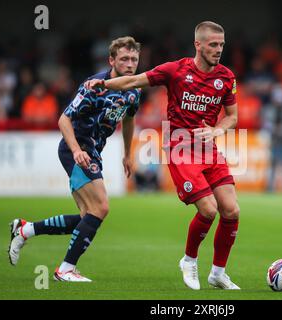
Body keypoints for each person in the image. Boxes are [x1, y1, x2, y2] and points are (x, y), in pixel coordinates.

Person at [85, 21, 240, 290]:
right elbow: (134, 80)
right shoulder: (176, 70)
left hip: (209, 149)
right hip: (180, 149)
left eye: (221, 45)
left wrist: (217, 130)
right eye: (213, 45)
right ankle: (189, 261)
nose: (218, 50)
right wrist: (105, 84)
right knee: (208, 209)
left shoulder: (226, 77)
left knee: (231, 210)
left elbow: (233, 117)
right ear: (198, 45)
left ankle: (218, 273)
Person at [8, 37, 142, 282]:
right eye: (124, 58)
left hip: (93, 151)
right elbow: (63, 119)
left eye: (134, 59)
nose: (130, 63)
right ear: (111, 60)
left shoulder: (134, 91)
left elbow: (130, 119)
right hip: (77, 148)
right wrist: (76, 150)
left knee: (86, 218)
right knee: (101, 207)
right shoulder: (94, 86)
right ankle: (65, 269)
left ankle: (26, 229)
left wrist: (127, 154)